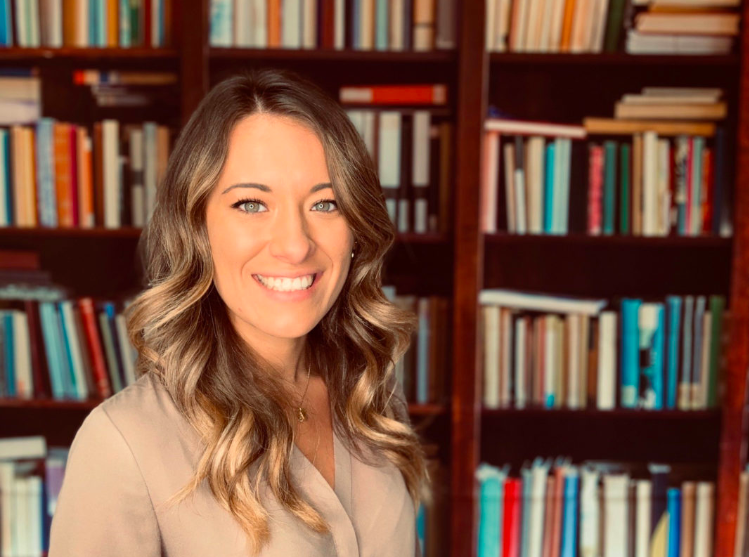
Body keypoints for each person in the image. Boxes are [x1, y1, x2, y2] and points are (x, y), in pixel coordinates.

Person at [48, 68, 431, 556]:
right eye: (251, 204)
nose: (294, 245)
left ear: (357, 229)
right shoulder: (124, 446)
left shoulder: (374, 402)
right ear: (197, 228)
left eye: (326, 203)